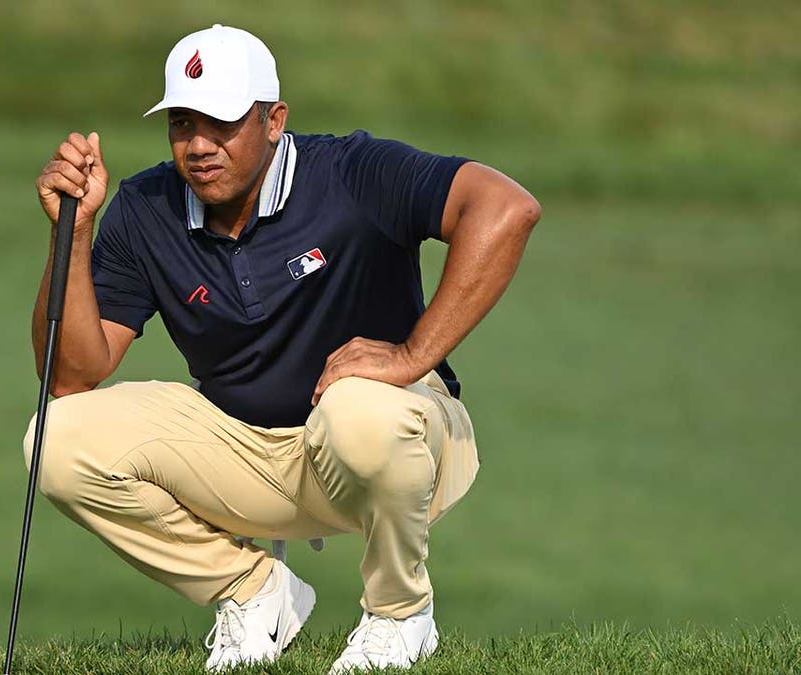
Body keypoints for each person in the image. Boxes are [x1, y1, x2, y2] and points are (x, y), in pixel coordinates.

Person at [27, 24, 540, 673]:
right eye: (182, 123)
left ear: (274, 120)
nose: (199, 146)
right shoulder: (145, 208)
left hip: (391, 438)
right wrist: (74, 231)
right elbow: (72, 373)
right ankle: (254, 590)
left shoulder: (351, 172)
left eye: (221, 123)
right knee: (55, 436)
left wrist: (412, 355)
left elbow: (505, 207)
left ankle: (399, 614)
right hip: (249, 455)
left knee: (360, 410)